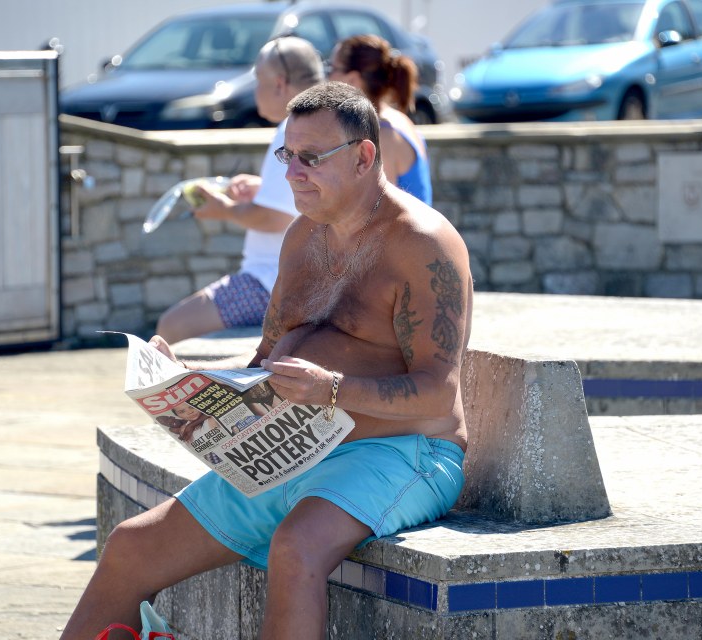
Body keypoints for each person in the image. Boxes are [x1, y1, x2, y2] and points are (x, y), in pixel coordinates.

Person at [60, 81, 473, 640]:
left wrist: (331, 390)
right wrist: (188, 381)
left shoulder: (423, 245)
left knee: (296, 548)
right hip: (290, 447)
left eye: (310, 158)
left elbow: (438, 394)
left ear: (364, 156)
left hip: (406, 450)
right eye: (286, 155)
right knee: (131, 546)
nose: (291, 173)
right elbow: (267, 356)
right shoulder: (302, 238)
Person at [154, 37, 324, 345]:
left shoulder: (291, 129)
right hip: (301, 281)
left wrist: (223, 210)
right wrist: (264, 188)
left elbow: (276, 218)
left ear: (279, 83)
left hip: (270, 283)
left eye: (258, 80)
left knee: (170, 329)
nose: (254, 90)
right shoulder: (325, 122)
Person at [325, 34, 432, 204]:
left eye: (331, 68)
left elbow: (377, 216)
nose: (327, 77)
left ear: (353, 79)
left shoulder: (382, 137)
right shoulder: (398, 119)